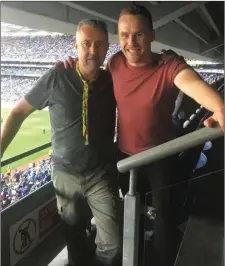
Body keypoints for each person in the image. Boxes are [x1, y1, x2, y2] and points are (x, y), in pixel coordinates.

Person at [62, 4, 224, 266]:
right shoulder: (114, 63)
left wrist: (220, 106)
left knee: (162, 225)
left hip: (161, 159)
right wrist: (70, 64)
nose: (131, 42)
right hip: (125, 160)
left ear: (152, 35)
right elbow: (89, 73)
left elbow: (191, 83)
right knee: (131, 221)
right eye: (124, 35)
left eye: (138, 34)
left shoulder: (168, 66)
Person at [1, 19, 121, 266]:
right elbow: (17, 113)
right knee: (74, 237)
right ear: (76, 45)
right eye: (86, 43)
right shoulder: (56, 76)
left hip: (101, 175)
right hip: (65, 176)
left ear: (107, 47)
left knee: (112, 241)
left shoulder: (113, 81)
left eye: (99, 44)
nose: (92, 50)